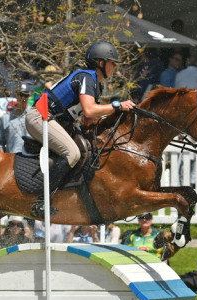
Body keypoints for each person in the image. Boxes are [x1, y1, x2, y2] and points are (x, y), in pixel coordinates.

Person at [25, 41, 135, 217]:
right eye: (112, 63)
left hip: (58, 121)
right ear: (101, 63)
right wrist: (117, 105)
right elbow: (89, 110)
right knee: (72, 153)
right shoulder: (87, 77)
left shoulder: (95, 83)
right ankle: (41, 200)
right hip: (40, 117)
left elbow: (90, 118)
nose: (115, 68)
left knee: (90, 150)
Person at [0, 84, 30, 154]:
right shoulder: (6, 117)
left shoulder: (34, 116)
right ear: (15, 96)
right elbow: (0, 144)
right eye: (20, 95)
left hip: (31, 158)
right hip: (12, 158)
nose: (23, 98)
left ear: (29, 96)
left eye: (25, 95)